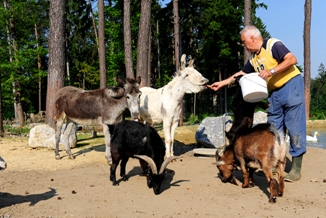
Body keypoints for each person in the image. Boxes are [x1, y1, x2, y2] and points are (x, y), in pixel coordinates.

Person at [208, 25, 306, 182]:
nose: (242, 44)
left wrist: (271, 71)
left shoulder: (272, 45)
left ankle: (295, 169)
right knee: (273, 129)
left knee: (295, 127)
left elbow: (292, 59)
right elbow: (240, 74)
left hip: (291, 86)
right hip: (274, 92)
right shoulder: (253, 58)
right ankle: (274, 164)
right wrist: (222, 83)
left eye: (243, 41)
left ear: (252, 38)